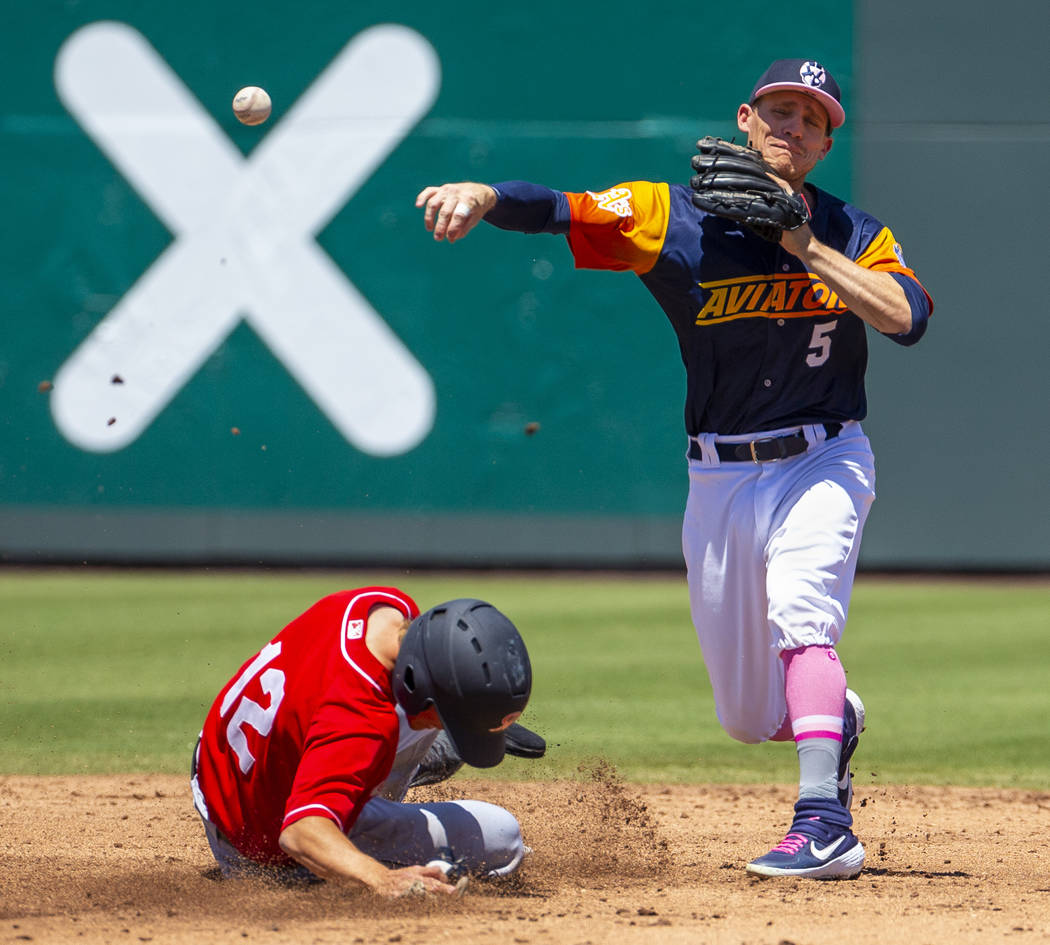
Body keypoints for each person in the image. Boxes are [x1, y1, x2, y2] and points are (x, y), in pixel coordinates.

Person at [415, 59, 932, 880]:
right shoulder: (671, 217)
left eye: (812, 117)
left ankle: (823, 823)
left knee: (805, 612)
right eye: (779, 110)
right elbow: (557, 207)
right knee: (746, 715)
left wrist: (803, 244)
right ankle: (837, 718)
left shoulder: (854, 230)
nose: (792, 125)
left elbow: (906, 315)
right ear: (745, 120)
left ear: (827, 142)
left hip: (825, 456)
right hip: (721, 477)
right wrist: (483, 194)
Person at [191, 588, 535, 896]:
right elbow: (300, 833)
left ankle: (368, 778)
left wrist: (474, 715)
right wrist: (381, 879)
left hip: (225, 766)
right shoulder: (359, 721)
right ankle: (333, 844)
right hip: (258, 841)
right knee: (502, 837)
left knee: (406, 706)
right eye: (452, 721)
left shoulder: (379, 606)